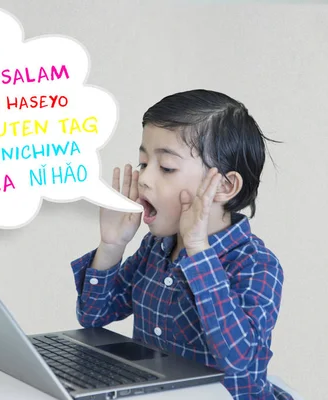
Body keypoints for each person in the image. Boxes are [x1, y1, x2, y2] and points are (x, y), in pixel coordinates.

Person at [70, 89, 291, 399]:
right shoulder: (155, 249)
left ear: (224, 187)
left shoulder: (256, 265)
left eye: (167, 168)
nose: (144, 179)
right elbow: (93, 317)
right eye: (144, 163)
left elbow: (242, 361)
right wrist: (111, 245)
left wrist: (198, 250)